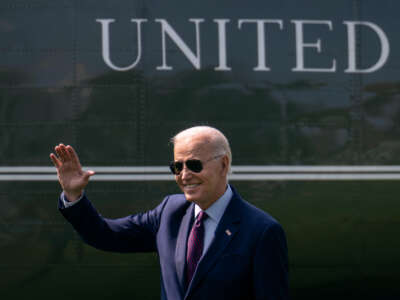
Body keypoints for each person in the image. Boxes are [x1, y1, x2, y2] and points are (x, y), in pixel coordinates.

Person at [50, 126, 289, 300]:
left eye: (194, 165)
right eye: (177, 166)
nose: (184, 175)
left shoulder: (262, 231)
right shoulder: (170, 212)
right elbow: (104, 235)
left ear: (224, 164)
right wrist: (74, 197)